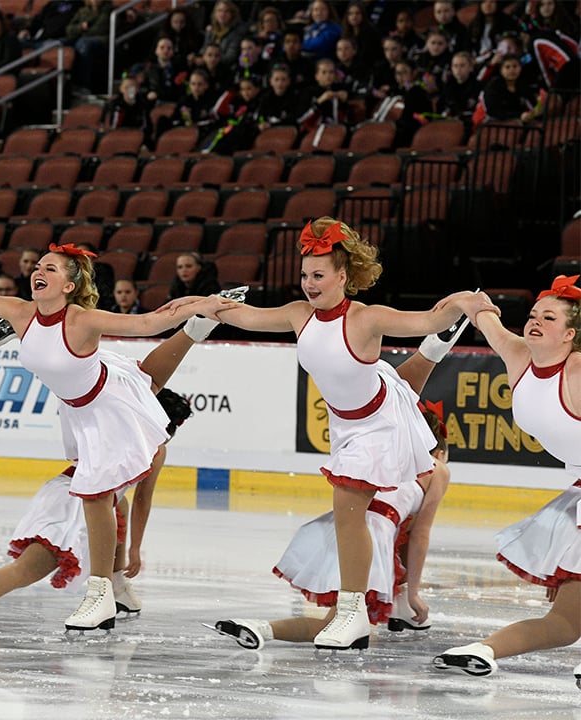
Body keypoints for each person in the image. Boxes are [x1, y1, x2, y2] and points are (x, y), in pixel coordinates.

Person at [166, 217, 493, 649]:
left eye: (318, 275)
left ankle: (353, 614)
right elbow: (247, 316)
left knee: (348, 505)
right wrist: (203, 305)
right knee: (355, 492)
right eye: (304, 275)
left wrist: (465, 303)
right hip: (347, 422)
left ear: (343, 276)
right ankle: (433, 353)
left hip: (377, 423)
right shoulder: (299, 314)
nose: (309, 283)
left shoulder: (367, 317)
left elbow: (427, 317)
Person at [0, 243, 225, 631]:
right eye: (38, 266)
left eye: (51, 268)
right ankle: (110, 589)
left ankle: (100, 596)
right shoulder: (21, 312)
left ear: (68, 285)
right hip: (78, 407)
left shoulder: (82, 320)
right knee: (144, 391)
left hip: (104, 407)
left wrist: (202, 303)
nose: (38, 271)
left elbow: (149, 322)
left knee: (97, 492)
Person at [211, 347, 458, 649]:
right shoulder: (437, 469)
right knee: (339, 620)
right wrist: (414, 592)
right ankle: (263, 628)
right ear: (439, 449)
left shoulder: (383, 448)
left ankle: (263, 627)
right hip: (371, 536)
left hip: (340, 528)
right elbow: (418, 536)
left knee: (341, 616)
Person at [0, 387, 193, 632]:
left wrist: (122, 561)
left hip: (63, 490)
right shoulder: (155, 449)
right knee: (31, 567)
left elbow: (124, 503)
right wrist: (135, 549)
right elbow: (142, 500)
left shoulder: (116, 426)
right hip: (79, 502)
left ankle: (116, 585)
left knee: (118, 508)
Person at [432, 276, 581, 680]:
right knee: (567, 622)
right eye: (533, 315)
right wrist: (470, 299)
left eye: (548, 318)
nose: (534, 322)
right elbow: (485, 317)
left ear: (571, 334)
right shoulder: (518, 355)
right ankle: (482, 649)